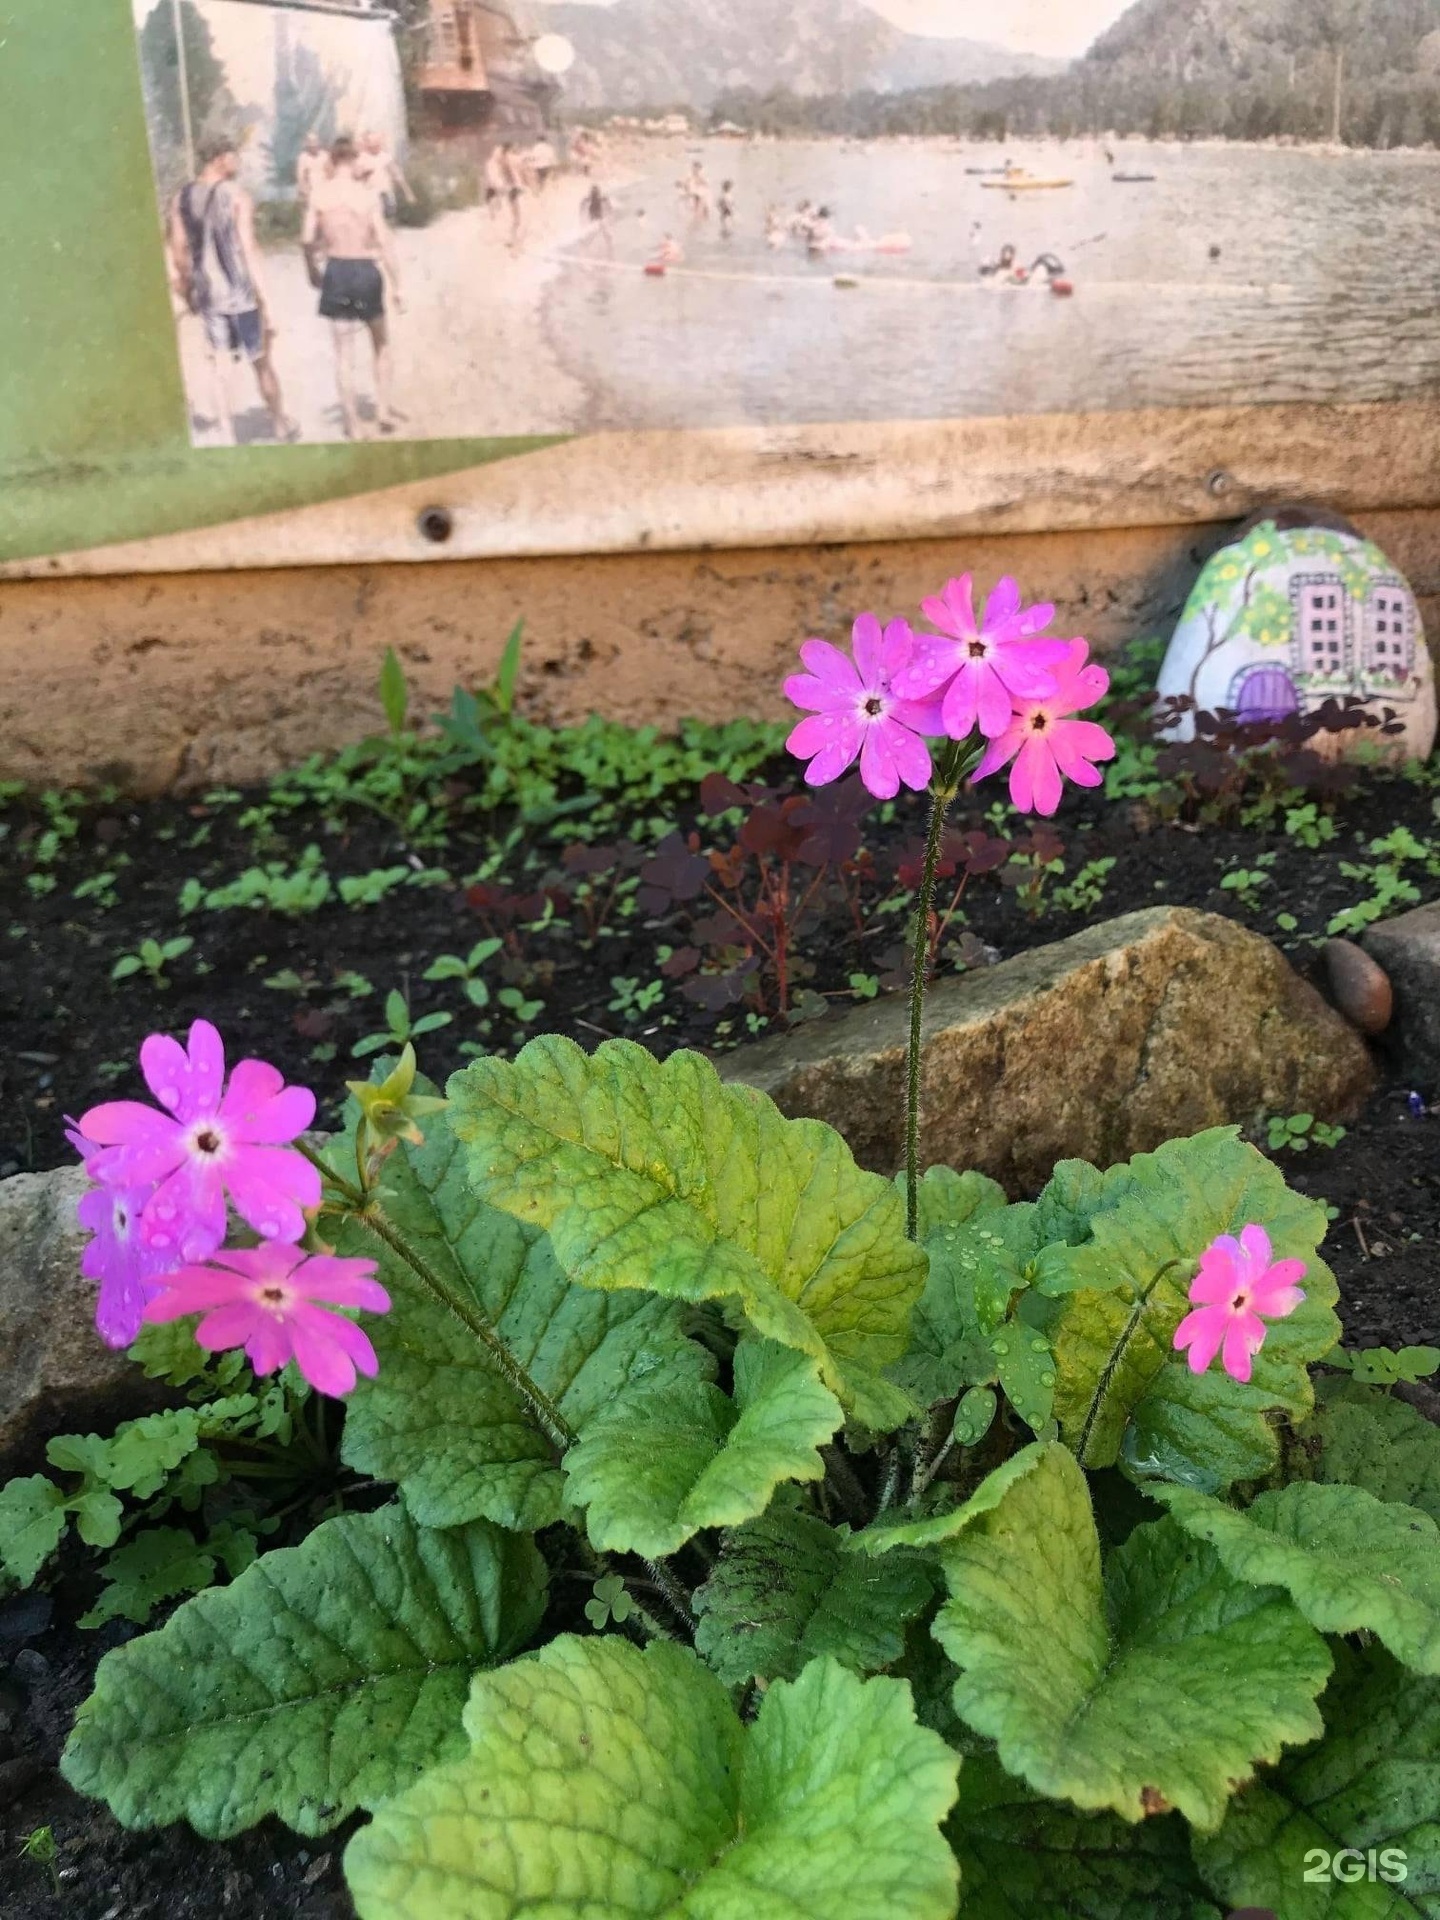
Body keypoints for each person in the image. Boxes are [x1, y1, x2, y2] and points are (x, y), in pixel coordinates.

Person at [167, 136, 298, 444]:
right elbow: (248, 249)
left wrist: (188, 288)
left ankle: (227, 433)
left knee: (219, 366)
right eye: (233, 156)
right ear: (219, 158)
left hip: (209, 293)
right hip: (241, 293)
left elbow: (178, 251)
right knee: (261, 361)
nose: (237, 162)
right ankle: (279, 423)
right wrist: (266, 300)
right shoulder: (237, 196)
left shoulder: (181, 198)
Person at [302, 135, 404, 440]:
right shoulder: (367, 195)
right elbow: (384, 241)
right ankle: (383, 410)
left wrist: (312, 270)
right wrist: (398, 286)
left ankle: (353, 424)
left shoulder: (319, 195)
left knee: (344, 354)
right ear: (354, 160)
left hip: (337, 270)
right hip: (365, 269)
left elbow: (306, 239)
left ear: (332, 161)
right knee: (381, 343)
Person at [356, 130, 415, 224]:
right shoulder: (362, 158)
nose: (374, 146)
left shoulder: (385, 157)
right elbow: (356, 176)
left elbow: (397, 175)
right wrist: (364, 174)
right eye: (372, 144)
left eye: (377, 144)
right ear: (368, 144)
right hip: (370, 194)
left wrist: (408, 192)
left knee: (387, 217)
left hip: (385, 193)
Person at [296, 131, 328, 207]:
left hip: (324, 189)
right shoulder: (303, 157)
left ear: (319, 143)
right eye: (310, 143)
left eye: (315, 142)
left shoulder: (325, 155)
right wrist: (305, 192)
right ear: (307, 145)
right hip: (309, 190)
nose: (313, 146)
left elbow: (329, 172)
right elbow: (300, 176)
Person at [582, 180, 614, 256]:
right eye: (594, 192)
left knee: (599, 232)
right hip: (596, 217)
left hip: (596, 217)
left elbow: (585, 202)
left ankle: (587, 244)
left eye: (595, 192)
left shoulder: (593, 199)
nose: (595, 194)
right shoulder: (594, 199)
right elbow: (606, 203)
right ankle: (608, 244)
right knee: (599, 232)